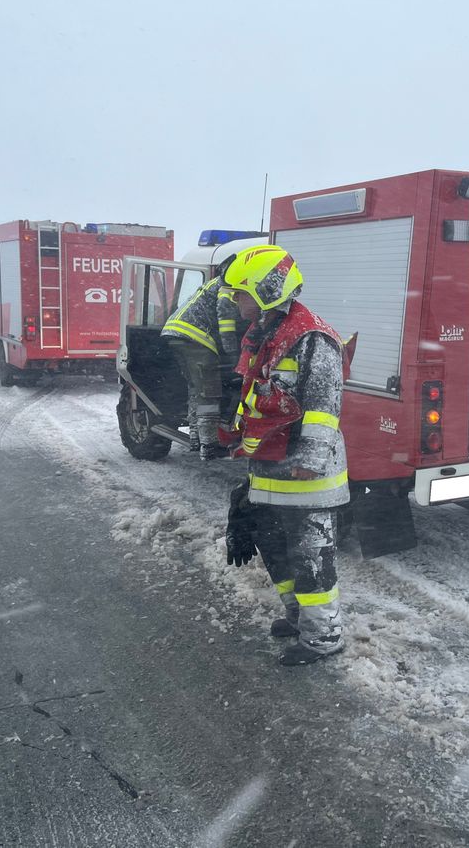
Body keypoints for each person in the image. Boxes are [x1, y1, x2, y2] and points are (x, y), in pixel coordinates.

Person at [220, 244, 349, 666]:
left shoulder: (313, 337)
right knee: (277, 549)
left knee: (311, 557)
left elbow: (323, 404)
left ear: (266, 290)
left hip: (307, 475)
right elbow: (259, 397)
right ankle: (298, 617)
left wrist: (309, 460)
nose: (234, 301)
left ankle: (323, 637)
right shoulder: (265, 334)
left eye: (240, 293)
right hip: (272, 468)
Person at [160, 256, 248, 460]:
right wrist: (233, 355)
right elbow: (225, 320)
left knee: (197, 390)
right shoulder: (228, 286)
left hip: (177, 334)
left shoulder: (215, 283)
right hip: (195, 336)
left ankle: (196, 440)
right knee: (210, 391)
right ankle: (209, 445)